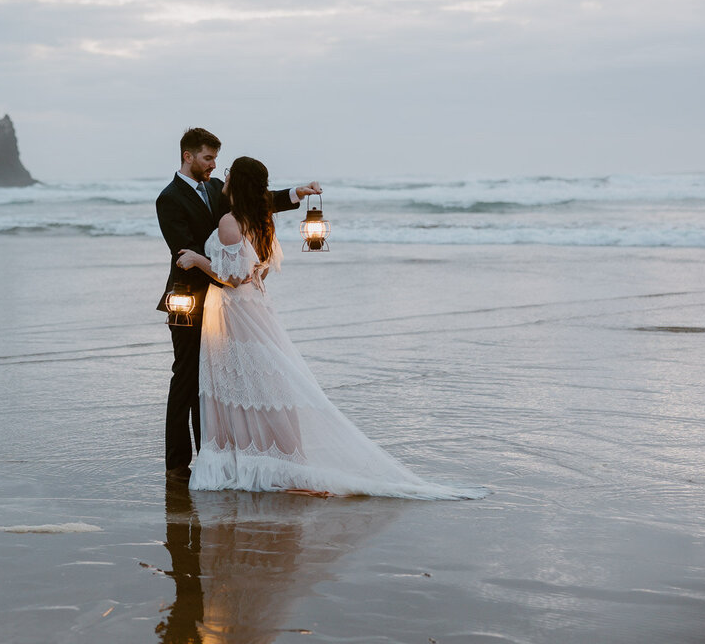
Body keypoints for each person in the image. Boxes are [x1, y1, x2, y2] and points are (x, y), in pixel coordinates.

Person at [175, 156, 488, 499]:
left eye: (229, 172)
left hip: (235, 312)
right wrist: (296, 193)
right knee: (263, 382)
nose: (224, 176)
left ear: (238, 181)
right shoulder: (260, 220)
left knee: (245, 384)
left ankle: (258, 460)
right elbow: (256, 270)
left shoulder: (231, 222)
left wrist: (196, 260)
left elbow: (232, 277)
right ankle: (274, 456)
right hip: (254, 309)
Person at [156, 129, 320, 480]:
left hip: (226, 298)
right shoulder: (168, 198)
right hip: (191, 299)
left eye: (216, 160)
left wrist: (295, 194)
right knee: (186, 377)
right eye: (208, 159)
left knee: (217, 383)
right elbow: (185, 251)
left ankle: (213, 454)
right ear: (188, 157)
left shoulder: (217, 188)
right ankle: (176, 463)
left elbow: (254, 200)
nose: (214, 166)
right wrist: (230, 275)